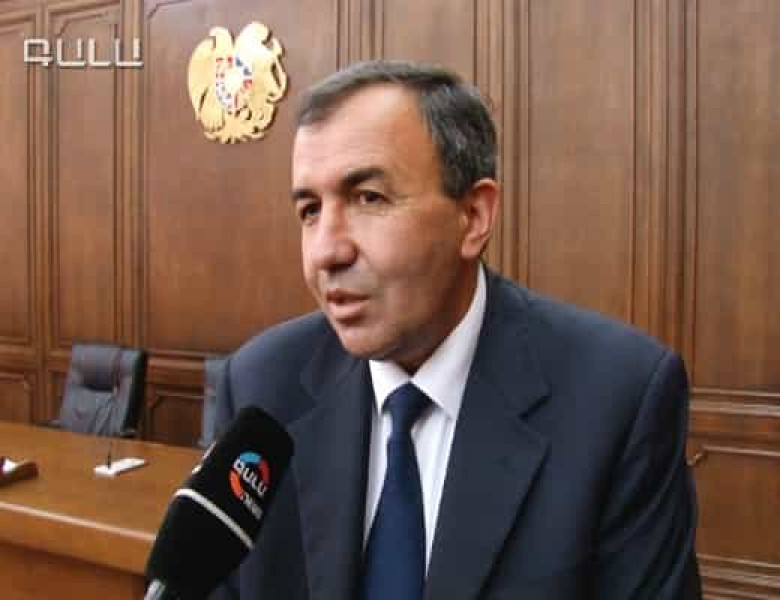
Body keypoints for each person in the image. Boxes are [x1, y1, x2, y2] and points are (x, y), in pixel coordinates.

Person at [212, 60, 701, 599]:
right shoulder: (261, 386)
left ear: (473, 216)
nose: (326, 251)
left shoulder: (617, 400)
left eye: (368, 198)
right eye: (309, 210)